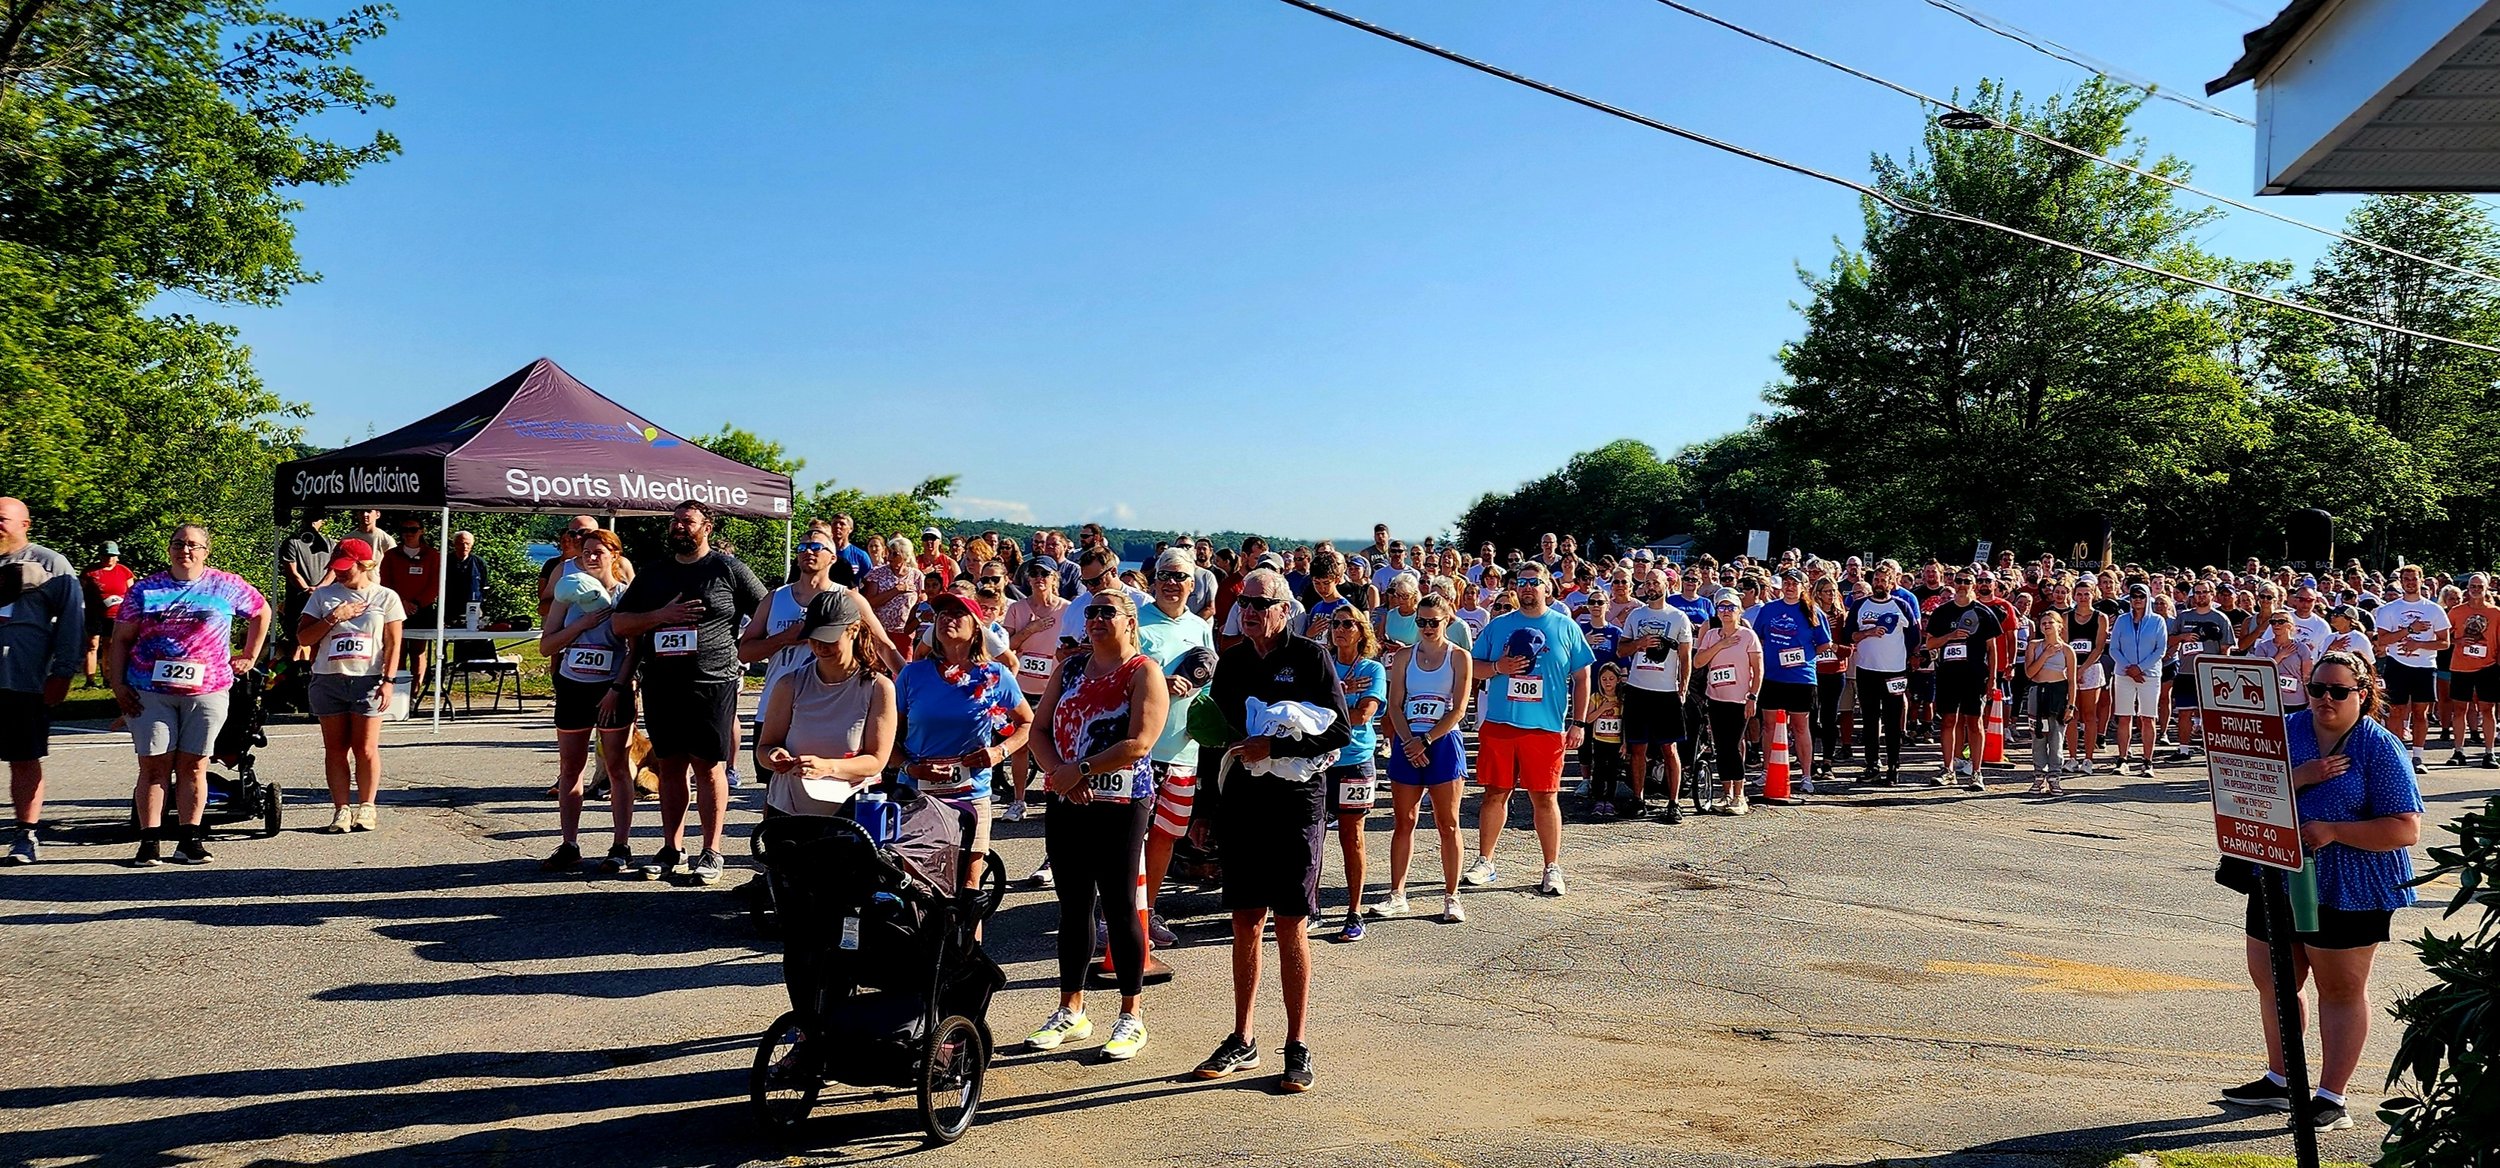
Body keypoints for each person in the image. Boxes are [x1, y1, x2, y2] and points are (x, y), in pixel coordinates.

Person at [2218, 651, 2423, 1133]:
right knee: (2274, 979)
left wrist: (2333, 830)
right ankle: (2280, 1079)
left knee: (2339, 989)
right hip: (2276, 871)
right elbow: (2241, 791)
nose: (2325, 699)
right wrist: (2301, 777)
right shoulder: (2289, 731)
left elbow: (2405, 829)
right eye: (2317, 690)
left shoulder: (2379, 747)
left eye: (2338, 691)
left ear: (2364, 693)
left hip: (2351, 885)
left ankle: (2332, 1097)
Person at [1194, 568, 1350, 1093]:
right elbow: (1214, 737)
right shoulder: (1233, 661)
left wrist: (1277, 748)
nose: (1252, 611)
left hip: (1295, 803)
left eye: (1263, 603)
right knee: (1244, 920)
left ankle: (1296, 1043)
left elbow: (1341, 734)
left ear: (1285, 608)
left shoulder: (1311, 656)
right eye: (1245, 603)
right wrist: (1204, 808)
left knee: (1289, 923)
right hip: (1242, 801)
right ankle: (1243, 1036)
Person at [1023, 587, 1167, 1061]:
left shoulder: (1143, 672)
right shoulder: (1069, 669)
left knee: (1120, 905)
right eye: (1092, 611)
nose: (1098, 618)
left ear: (1130, 621)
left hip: (1121, 801)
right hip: (1067, 798)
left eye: (1109, 611)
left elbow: (1139, 742)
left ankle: (1131, 1013)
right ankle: (1071, 1008)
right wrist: (1059, 776)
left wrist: (1080, 770)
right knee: (1072, 905)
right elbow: (1038, 730)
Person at [609, 501, 768, 885]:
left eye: (688, 522)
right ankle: (672, 848)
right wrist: (661, 617)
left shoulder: (728, 570)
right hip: (662, 684)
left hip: (712, 682)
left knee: (709, 767)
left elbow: (766, 610)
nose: (680, 527)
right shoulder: (653, 575)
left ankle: (712, 851)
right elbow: (619, 623)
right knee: (669, 767)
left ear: (707, 528)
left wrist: (744, 648)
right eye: (675, 522)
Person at [105, 524, 269, 866]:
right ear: (170, 550)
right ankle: (149, 842)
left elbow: (261, 610)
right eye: (178, 544)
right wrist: (119, 686)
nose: (185, 550)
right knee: (154, 766)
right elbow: (120, 640)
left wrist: (250, 654)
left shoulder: (225, 585)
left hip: (207, 689)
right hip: (150, 690)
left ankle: (190, 840)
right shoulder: (146, 590)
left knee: (194, 765)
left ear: (206, 551)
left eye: (193, 545)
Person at [1463, 561, 1595, 895]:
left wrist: (1578, 723)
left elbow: (1582, 677)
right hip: (1501, 724)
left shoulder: (1565, 627)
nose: (1526, 587)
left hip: (1546, 728)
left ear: (1547, 587)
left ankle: (1551, 867)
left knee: (1545, 798)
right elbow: (1473, 669)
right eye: (1521, 582)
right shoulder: (1498, 626)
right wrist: (1498, 666)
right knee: (1495, 794)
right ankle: (1485, 861)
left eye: (1534, 582)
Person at [894, 591, 1033, 895]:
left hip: (972, 794)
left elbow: (1027, 723)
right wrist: (909, 767)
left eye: (958, 614)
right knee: (919, 885)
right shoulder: (912, 675)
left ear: (975, 629)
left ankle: (969, 944)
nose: (947, 619)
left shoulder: (995, 675)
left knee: (969, 889)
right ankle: (923, 944)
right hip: (919, 794)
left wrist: (999, 752)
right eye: (942, 614)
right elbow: (889, 738)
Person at [540, 528, 639, 872]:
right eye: (586, 553)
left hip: (612, 689)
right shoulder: (569, 596)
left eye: (599, 552)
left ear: (615, 556)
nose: (591, 557)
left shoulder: (626, 597)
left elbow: (635, 651)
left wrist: (617, 688)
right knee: (570, 768)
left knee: (616, 768)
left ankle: (620, 846)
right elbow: (547, 645)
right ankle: (569, 844)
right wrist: (579, 626)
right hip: (573, 686)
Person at [1134, 550, 1216, 949]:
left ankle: (1147, 912)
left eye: (1180, 577)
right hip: (1141, 748)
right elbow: (1119, 675)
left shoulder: (1200, 627)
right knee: (1131, 836)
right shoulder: (1137, 621)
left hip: (1184, 749)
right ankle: (1116, 914)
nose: (1172, 583)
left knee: (1166, 835)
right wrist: (1159, 682)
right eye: (1165, 575)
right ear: (1154, 580)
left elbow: (1208, 683)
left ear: (1193, 583)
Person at [757, 588, 895, 820]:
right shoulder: (789, 684)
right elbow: (764, 749)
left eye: (829, 639)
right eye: (813, 638)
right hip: (788, 809)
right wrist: (774, 756)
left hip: (851, 812)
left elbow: (876, 762)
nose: (820, 646)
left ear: (853, 631)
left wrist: (828, 767)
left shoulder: (878, 687)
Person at [299, 538, 404, 833]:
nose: (341, 572)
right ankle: (341, 809)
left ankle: (367, 806)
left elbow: (394, 643)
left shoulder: (385, 597)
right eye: (337, 567)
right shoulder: (323, 597)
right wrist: (335, 616)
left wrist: (388, 680)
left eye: (348, 567)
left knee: (365, 748)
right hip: (328, 678)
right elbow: (304, 638)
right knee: (335, 749)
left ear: (365, 565)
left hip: (368, 679)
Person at [0, 498, 83, 866]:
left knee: (24, 758)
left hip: (22, 682)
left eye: (2, 519)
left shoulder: (50, 564)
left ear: (25, 523)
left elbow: (71, 622)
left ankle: (25, 836)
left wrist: (63, 672)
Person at [1380, 594, 1472, 922]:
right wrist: (1409, 742)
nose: (1428, 627)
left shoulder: (1459, 657)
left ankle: (1451, 897)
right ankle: (1397, 894)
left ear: (1447, 620)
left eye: (1434, 621)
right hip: (1408, 742)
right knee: (1404, 820)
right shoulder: (1404, 656)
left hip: (1443, 743)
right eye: (1422, 622)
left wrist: (1426, 740)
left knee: (1447, 823)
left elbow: (1459, 708)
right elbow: (1394, 704)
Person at [1320, 601, 1386, 940]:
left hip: (1356, 760)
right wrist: (1345, 694)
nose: (1341, 629)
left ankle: (1354, 911)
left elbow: (1363, 715)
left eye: (1348, 624)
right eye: (1336, 623)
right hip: (1319, 760)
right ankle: (1309, 906)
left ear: (1361, 631)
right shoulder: (1322, 664)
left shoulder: (1373, 670)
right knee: (1311, 836)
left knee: (1352, 836)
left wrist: (1331, 703)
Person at [1616, 568, 1692, 820]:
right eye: (1647, 582)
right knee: (1637, 748)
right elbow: (1621, 650)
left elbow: (1685, 657)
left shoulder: (1679, 617)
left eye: (1655, 582)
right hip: (1638, 690)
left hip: (1666, 692)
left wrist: (1683, 686)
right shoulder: (1635, 615)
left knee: (1669, 749)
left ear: (1667, 585)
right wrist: (1639, 644)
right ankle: (1638, 799)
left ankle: (1674, 802)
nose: (1651, 586)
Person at [1748, 571, 1830, 797]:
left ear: (1804, 586)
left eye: (1795, 583)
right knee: (1769, 725)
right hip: (1773, 676)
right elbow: (1758, 637)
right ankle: (1767, 770)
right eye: (1787, 583)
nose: (1790, 587)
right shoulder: (1769, 609)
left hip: (1801, 677)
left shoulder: (1813, 610)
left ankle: (1806, 776)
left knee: (1801, 726)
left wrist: (1803, 654)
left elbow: (1824, 644)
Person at [1003, 559, 1070, 818]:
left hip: (1052, 689)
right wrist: (1029, 630)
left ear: (1055, 578)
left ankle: (1057, 795)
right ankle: (1018, 800)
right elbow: (1004, 647)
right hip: (1021, 687)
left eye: (1045, 573)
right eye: (1034, 573)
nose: (1039, 577)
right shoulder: (1017, 609)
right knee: (1020, 745)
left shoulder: (1067, 609)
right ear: (1028, 578)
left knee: (1056, 746)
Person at [1845, 560, 1921, 787]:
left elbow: (1914, 637)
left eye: (1883, 580)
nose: (1879, 583)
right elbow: (1849, 635)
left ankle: (1893, 765)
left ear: (1891, 582)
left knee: (1892, 719)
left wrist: (1903, 655)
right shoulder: (1860, 606)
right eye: (1876, 580)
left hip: (1894, 672)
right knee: (1869, 719)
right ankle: (1872, 764)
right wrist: (1867, 633)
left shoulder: (1901, 605)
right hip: (1867, 670)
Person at [2370, 564, 2449, 775]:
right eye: (2406, 579)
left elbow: (2445, 643)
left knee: (2420, 712)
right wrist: (2409, 630)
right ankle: (2398, 755)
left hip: (2425, 666)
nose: (2410, 583)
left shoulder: (2434, 609)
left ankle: (2418, 756)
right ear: (2401, 581)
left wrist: (2419, 644)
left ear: (2421, 580)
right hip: (2397, 665)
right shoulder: (2389, 609)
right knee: (2396, 711)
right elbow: (2383, 641)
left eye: (2414, 579)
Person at [1694, 590, 1762, 814]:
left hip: (1739, 699)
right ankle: (1726, 793)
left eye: (1730, 607)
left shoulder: (1748, 636)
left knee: (1733, 745)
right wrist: (1720, 645)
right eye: (1721, 608)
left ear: (1738, 611)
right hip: (1716, 699)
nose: (1725, 612)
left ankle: (1740, 795)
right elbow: (1698, 662)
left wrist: (1753, 696)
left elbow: (1758, 669)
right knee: (1721, 747)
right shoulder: (1712, 635)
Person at [2105, 583, 2167, 779]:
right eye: (2133, 596)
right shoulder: (2122, 621)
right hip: (2124, 674)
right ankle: (2122, 760)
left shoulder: (2158, 621)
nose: (2137, 599)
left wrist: (2139, 668)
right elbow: (2114, 648)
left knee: (2148, 718)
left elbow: (2160, 650)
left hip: (2149, 675)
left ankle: (2147, 761)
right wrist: (2129, 669)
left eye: (2141, 596)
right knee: (2124, 717)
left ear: (2148, 598)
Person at [380, 520, 439, 703]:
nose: (408, 533)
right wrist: (401, 603)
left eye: (413, 530)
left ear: (421, 531)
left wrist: (417, 603)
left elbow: (435, 584)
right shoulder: (391, 555)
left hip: (422, 610)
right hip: (395, 609)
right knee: (396, 649)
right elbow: (385, 582)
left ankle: (414, 692)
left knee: (418, 651)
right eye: (404, 530)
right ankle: (397, 692)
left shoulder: (432, 555)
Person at [2441, 573, 2496, 769]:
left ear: (2487, 587)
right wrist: (2457, 641)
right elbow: (2443, 635)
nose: (2475, 589)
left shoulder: (2496, 613)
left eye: (2479, 586)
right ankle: (2458, 750)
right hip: (2461, 666)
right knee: (2460, 709)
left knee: (2487, 709)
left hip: (2488, 667)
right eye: (2472, 586)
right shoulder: (2456, 611)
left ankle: (2489, 753)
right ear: (2467, 588)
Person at [2022, 611, 2076, 796]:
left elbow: (2072, 681)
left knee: (2056, 738)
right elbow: (2029, 673)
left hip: (2058, 693)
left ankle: (2054, 776)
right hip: (2038, 692)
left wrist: (2071, 705)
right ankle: (2039, 775)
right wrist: (2045, 655)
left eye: (2050, 622)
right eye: (2043, 622)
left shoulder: (2068, 650)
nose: (2046, 625)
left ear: (2059, 625)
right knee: (2038, 736)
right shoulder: (2034, 646)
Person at [79, 542, 133, 685]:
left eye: (112, 556)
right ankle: (90, 680)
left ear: (117, 557)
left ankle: (108, 678)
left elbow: (133, 593)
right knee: (92, 644)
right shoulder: (90, 572)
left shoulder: (124, 571)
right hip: (94, 614)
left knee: (110, 645)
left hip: (116, 615)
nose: (109, 559)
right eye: (106, 555)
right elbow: (79, 591)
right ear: (100, 556)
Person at [859, 536, 922, 644]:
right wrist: (896, 590)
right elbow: (870, 602)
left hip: (905, 632)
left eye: (895, 554)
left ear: (905, 555)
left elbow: (922, 600)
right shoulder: (877, 573)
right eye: (889, 552)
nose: (889, 557)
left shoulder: (916, 575)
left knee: (905, 661)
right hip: (880, 630)